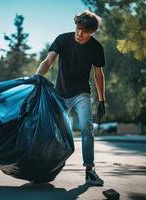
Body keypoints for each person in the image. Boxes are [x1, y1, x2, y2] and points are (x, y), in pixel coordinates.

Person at [35, 10, 106, 186]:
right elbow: (48, 61)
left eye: (85, 31)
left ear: (92, 32)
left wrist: (102, 100)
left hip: (82, 93)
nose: (80, 33)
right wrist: (35, 77)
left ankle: (90, 170)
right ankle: (42, 169)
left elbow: (98, 74)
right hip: (60, 94)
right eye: (78, 28)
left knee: (86, 128)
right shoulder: (63, 39)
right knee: (51, 132)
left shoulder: (96, 48)